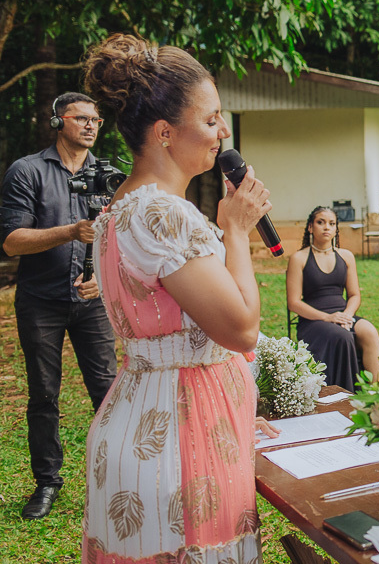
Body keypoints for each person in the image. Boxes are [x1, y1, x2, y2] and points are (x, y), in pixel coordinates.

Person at [81, 33, 272, 562]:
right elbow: (241, 328)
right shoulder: (163, 213)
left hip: (141, 415)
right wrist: (234, 232)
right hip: (180, 437)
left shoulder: (119, 208)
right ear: (166, 132)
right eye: (211, 120)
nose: (223, 132)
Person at [0, 92, 118, 519]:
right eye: (82, 118)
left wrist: (103, 282)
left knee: (108, 392)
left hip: (92, 303)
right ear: (58, 121)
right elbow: (12, 241)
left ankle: (119, 476)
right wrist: (71, 231)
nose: (91, 125)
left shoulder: (109, 175)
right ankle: (47, 483)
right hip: (41, 302)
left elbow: (123, 243)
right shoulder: (27, 171)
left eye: (97, 120)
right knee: (44, 395)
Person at [286, 206, 379, 390]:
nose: (326, 227)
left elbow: (354, 295)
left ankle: (377, 395)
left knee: (369, 331)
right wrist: (328, 317)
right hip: (314, 320)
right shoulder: (299, 258)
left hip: (343, 315)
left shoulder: (346, 256)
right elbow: (294, 302)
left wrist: (347, 315)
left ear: (336, 229)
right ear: (310, 227)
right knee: (343, 337)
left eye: (332, 224)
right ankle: (347, 394)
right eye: (320, 222)